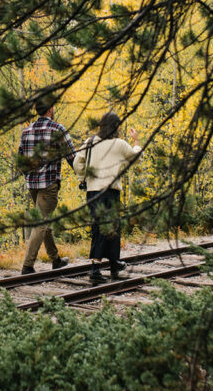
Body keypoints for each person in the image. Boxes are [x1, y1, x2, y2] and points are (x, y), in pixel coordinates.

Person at [73, 111, 141, 283]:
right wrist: (136, 141)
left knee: (104, 228)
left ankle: (114, 264)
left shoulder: (89, 142)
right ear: (116, 127)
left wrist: (84, 177)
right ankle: (95, 269)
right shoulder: (118, 144)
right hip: (109, 192)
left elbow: (77, 163)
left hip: (93, 191)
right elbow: (136, 157)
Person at [17, 97, 75, 274]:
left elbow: (20, 160)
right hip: (48, 183)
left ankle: (55, 259)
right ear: (50, 109)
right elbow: (72, 156)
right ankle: (27, 265)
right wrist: (83, 177)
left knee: (44, 219)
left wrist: (28, 175)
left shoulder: (26, 131)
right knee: (41, 222)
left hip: (33, 184)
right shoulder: (58, 129)